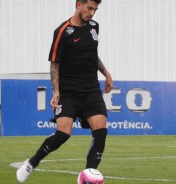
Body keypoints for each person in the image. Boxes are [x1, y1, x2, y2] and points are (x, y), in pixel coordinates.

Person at [16, 0, 113, 182]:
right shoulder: (62, 31)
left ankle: (87, 176)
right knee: (63, 134)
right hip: (68, 91)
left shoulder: (94, 27)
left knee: (101, 131)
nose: (92, 13)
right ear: (78, 4)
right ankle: (32, 162)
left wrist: (107, 74)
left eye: (95, 10)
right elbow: (55, 63)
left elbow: (92, 55)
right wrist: (56, 91)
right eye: (89, 8)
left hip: (91, 90)